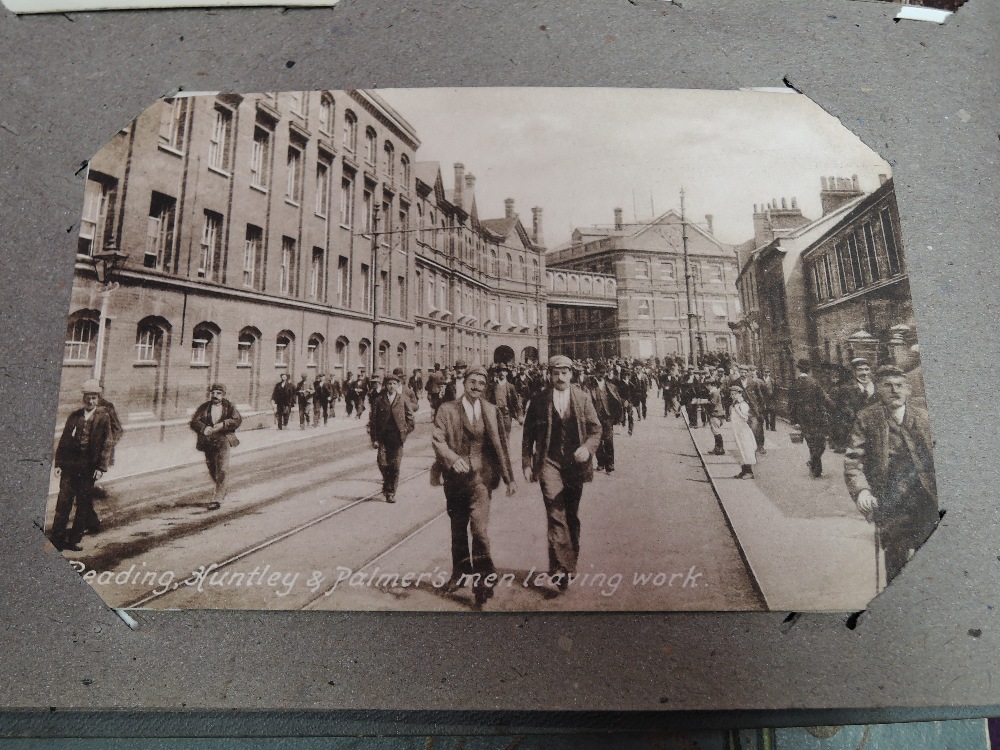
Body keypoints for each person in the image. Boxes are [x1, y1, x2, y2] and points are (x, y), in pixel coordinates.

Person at [431, 365, 517, 606]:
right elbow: (438, 440)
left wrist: (509, 479)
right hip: (455, 481)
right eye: (472, 381)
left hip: (481, 479)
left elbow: (501, 445)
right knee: (458, 530)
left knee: (479, 530)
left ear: (485, 386)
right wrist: (452, 458)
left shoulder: (491, 410)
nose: (476, 386)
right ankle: (459, 574)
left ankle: (484, 579)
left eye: (481, 382)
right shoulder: (446, 409)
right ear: (464, 382)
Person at [845, 365, 938, 585]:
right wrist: (862, 491)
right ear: (878, 389)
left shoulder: (925, 417)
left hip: (927, 498)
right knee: (896, 561)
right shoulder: (868, 418)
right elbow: (853, 460)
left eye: (899, 386)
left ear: (908, 390)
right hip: (891, 500)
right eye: (888, 386)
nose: (894, 390)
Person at [522, 355, 603, 591]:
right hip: (549, 462)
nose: (560, 377)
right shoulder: (538, 400)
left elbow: (595, 430)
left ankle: (569, 561)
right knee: (555, 511)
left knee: (571, 515)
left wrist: (587, 449)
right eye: (555, 373)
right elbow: (527, 435)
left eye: (564, 373)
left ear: (571, 374)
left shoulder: (582, 398)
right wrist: (527, 462)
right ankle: (559, 569)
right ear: (549, 374)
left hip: (574, 465)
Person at [50, 379, 116, 551]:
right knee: (63, 503)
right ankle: (56, 540)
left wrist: (101, 468)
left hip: (88, 469)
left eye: (94, 398)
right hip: (69, 468)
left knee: (83, 504)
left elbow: (107, 443)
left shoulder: (103, 418)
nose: (90, 401)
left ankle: (74, 540)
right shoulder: (74, 416)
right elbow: (64, 440)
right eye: (88, 397)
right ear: (83, 398)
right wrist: (58, 463)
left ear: (98, 399)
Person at [189, 383, 242, 510]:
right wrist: (204, 428)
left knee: (222, 469)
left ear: (223, 395)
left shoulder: (229, 406)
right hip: (208, 441)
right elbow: (194, 422)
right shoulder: (204, 407)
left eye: (218, 393)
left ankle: (217, 498)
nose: (215, 395)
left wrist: (224, 424)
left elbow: (237, 420)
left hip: (223, 439)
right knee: (212, 468)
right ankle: (222, 489)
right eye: (213, 393)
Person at [368, 372, 415, 504]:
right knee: (382, 463)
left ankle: (390, 492)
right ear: (385, 385)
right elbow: (373, 421)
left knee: (395, 466)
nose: (391, 386)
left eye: (394, 384)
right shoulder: (378, 400)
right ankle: (387, 482)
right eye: (389, 384)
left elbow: (410, 418)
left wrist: (405, 432)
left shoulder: (403, 399)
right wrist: (374, 439)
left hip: (397, 438)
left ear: (398, 385)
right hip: (383, 437)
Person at [788, 359, 833, 478]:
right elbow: (825, 399)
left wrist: (794, 421)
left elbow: (791, 404)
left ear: (799, 369)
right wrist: (834, 407)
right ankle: (815, 466)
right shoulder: (814, 383)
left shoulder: (794, 384)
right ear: (809, 370)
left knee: (811, 442)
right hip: (817, 417)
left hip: (802, 418)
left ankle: (815, 467)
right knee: (820, 443)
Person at [831, 357, 877, 453]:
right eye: (860, 370)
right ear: (854, 372)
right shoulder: (846, 389)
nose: (864, 373)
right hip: (856, 434)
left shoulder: (877, 387)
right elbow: (845, 412)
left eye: (867, 369)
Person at [588, 362, 623, 474]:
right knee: (597, 442)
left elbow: (617, 402)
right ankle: (601, 463)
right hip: (595, 418)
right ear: (595, 373)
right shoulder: (590, 386)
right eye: (599, 372)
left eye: (603, 372)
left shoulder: (611, 387)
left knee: (608, 441)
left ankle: (610, 465)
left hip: (608, 418)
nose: (601, 375)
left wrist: (617, 417)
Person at [729, 386, 757, 478]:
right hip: (738, 430)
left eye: (735, 394)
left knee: (746, 449)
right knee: (741, 450)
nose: (733, 396)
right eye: (732, 394)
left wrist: (738, 411)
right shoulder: (735, 404)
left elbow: (746, 418)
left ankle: (749, 472)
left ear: (740, 394)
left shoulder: (743, 405)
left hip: (744, 430)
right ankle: (744, 471)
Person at [486, 365, 522, 435]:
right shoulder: (492, 386)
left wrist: (520, 415)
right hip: (495, 416)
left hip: (506, 416)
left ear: (507, 373)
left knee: (506, 437)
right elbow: (487, 401)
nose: (502, 373)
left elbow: (516, 402)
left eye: (504, 371)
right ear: (497, 373)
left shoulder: (511, 387)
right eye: (500, 371)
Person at [707, 379, 727, 456]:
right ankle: (717, 448)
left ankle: (720, 448)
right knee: (715, 430)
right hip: (716, 413)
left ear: (712, 385)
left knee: (716, 431)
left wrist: (703, 402)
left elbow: (713, 402)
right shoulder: (714, 392)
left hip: (716, 413)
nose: (707, 387)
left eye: (708, 385)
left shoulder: (714, 392)